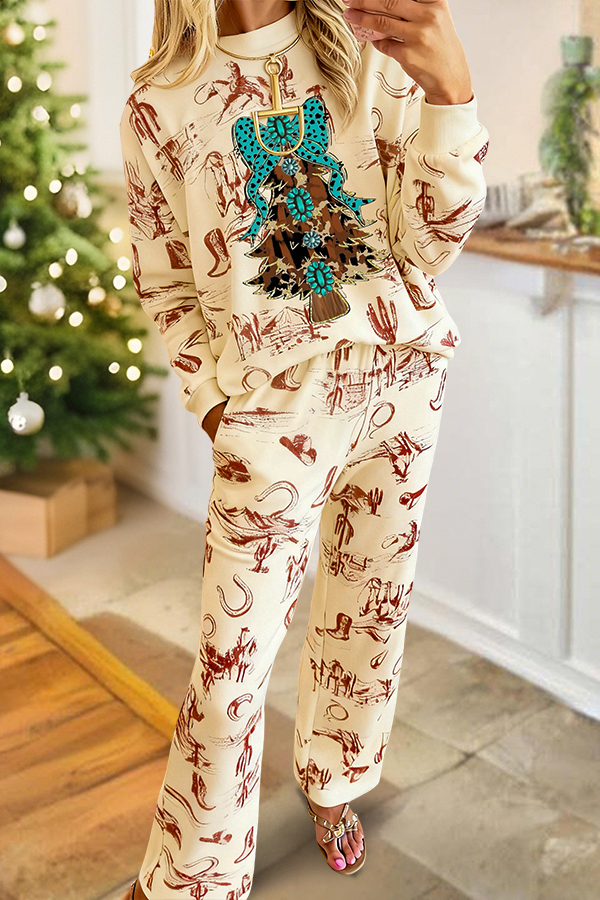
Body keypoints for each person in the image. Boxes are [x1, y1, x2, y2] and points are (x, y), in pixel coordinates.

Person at [119, 1, 488, 897]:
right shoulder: (159, 103)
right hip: (275, 414)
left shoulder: (368, 49)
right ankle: (191, 880)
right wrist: (219, 406)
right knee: (230, 671)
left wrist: (453, 93)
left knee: (369, 612)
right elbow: (166, 282)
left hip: (401, 379)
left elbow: (429, 246)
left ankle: (335, 779)